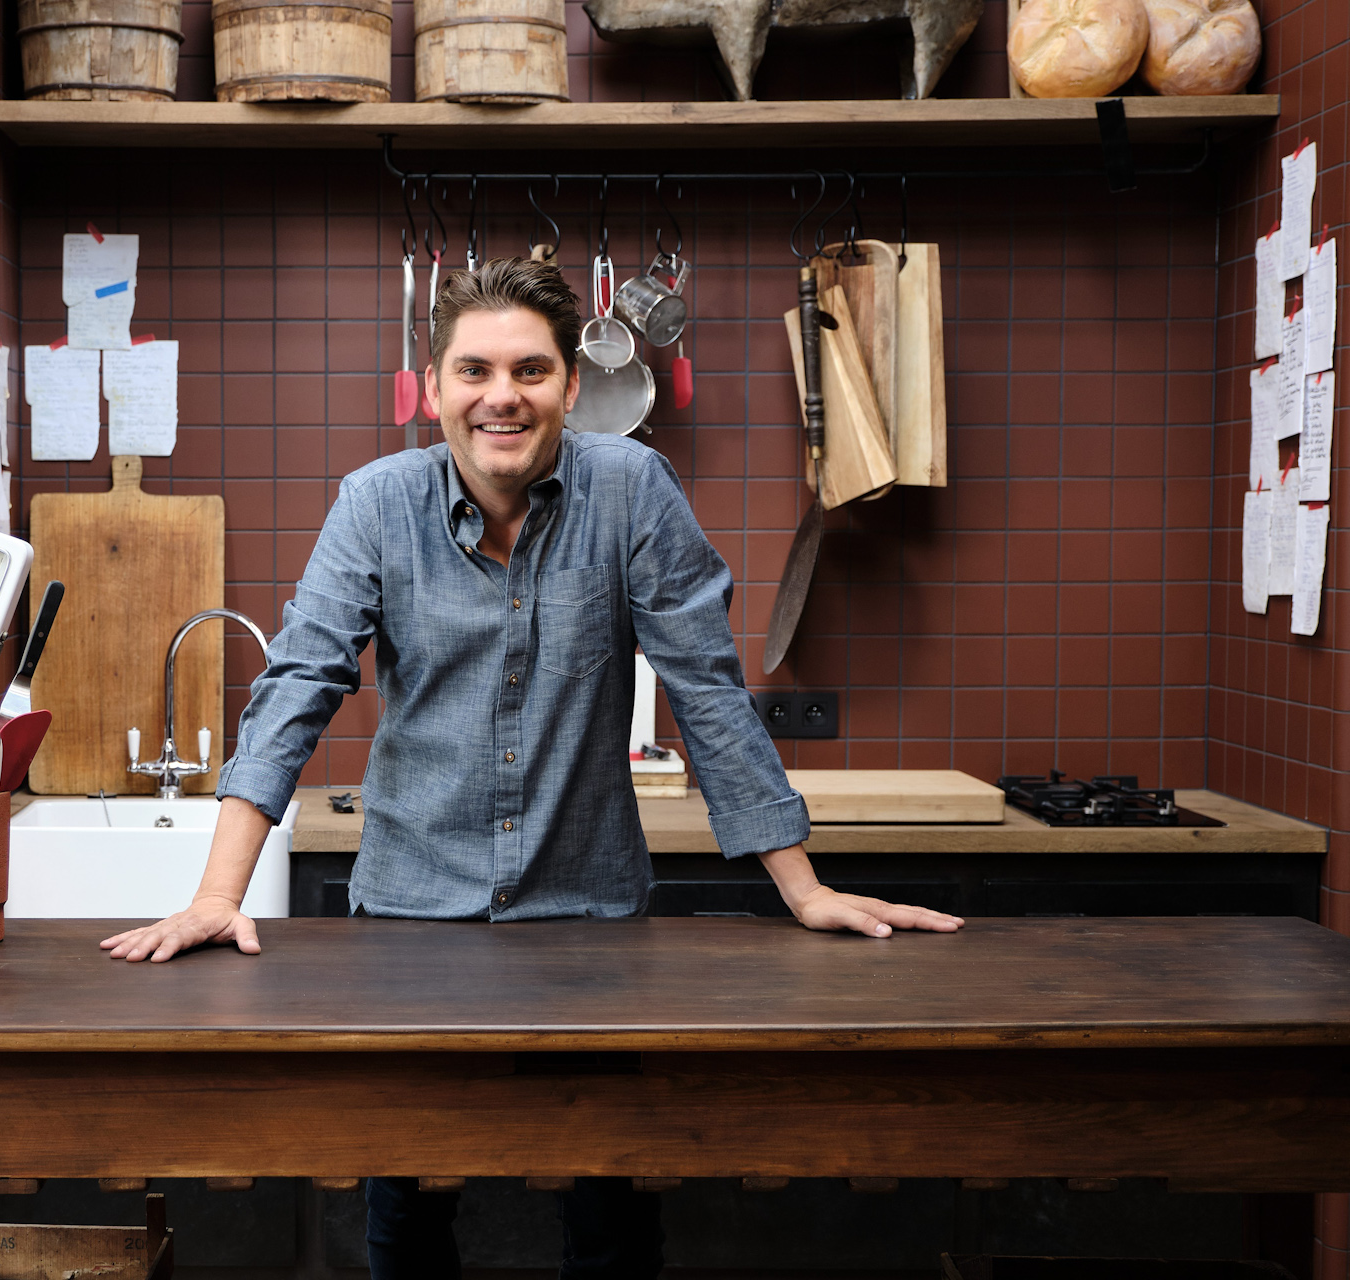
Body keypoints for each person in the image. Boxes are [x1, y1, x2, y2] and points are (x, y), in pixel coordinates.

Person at [99, 257, 963, 1280]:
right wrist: (214, 894)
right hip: (412, 918)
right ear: (433, 387)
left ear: (569, 385)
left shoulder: (631, 489)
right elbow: (295, 689)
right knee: (409, 1208)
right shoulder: (376, 504)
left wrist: (803, 888)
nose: (500, 394)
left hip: (588, 917)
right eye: (473, 370)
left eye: (529, 370)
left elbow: (708, 687)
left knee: (609, 1210)